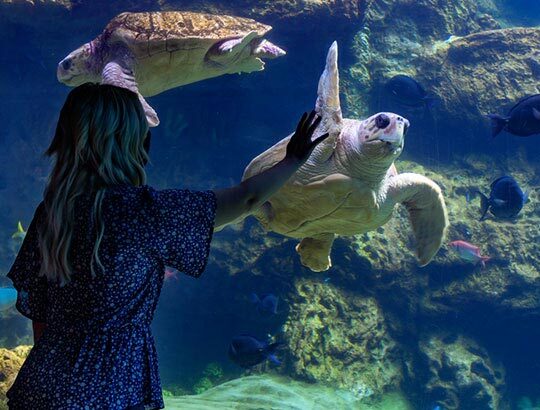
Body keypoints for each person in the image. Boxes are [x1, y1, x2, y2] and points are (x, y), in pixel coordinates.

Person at [6, 83, 328, 410]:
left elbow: (40, 317)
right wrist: (293, 159)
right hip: (116, 387)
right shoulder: (149, 211)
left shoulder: (51, 213)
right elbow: (247, 197)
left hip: (42, 385)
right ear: (133, 144)